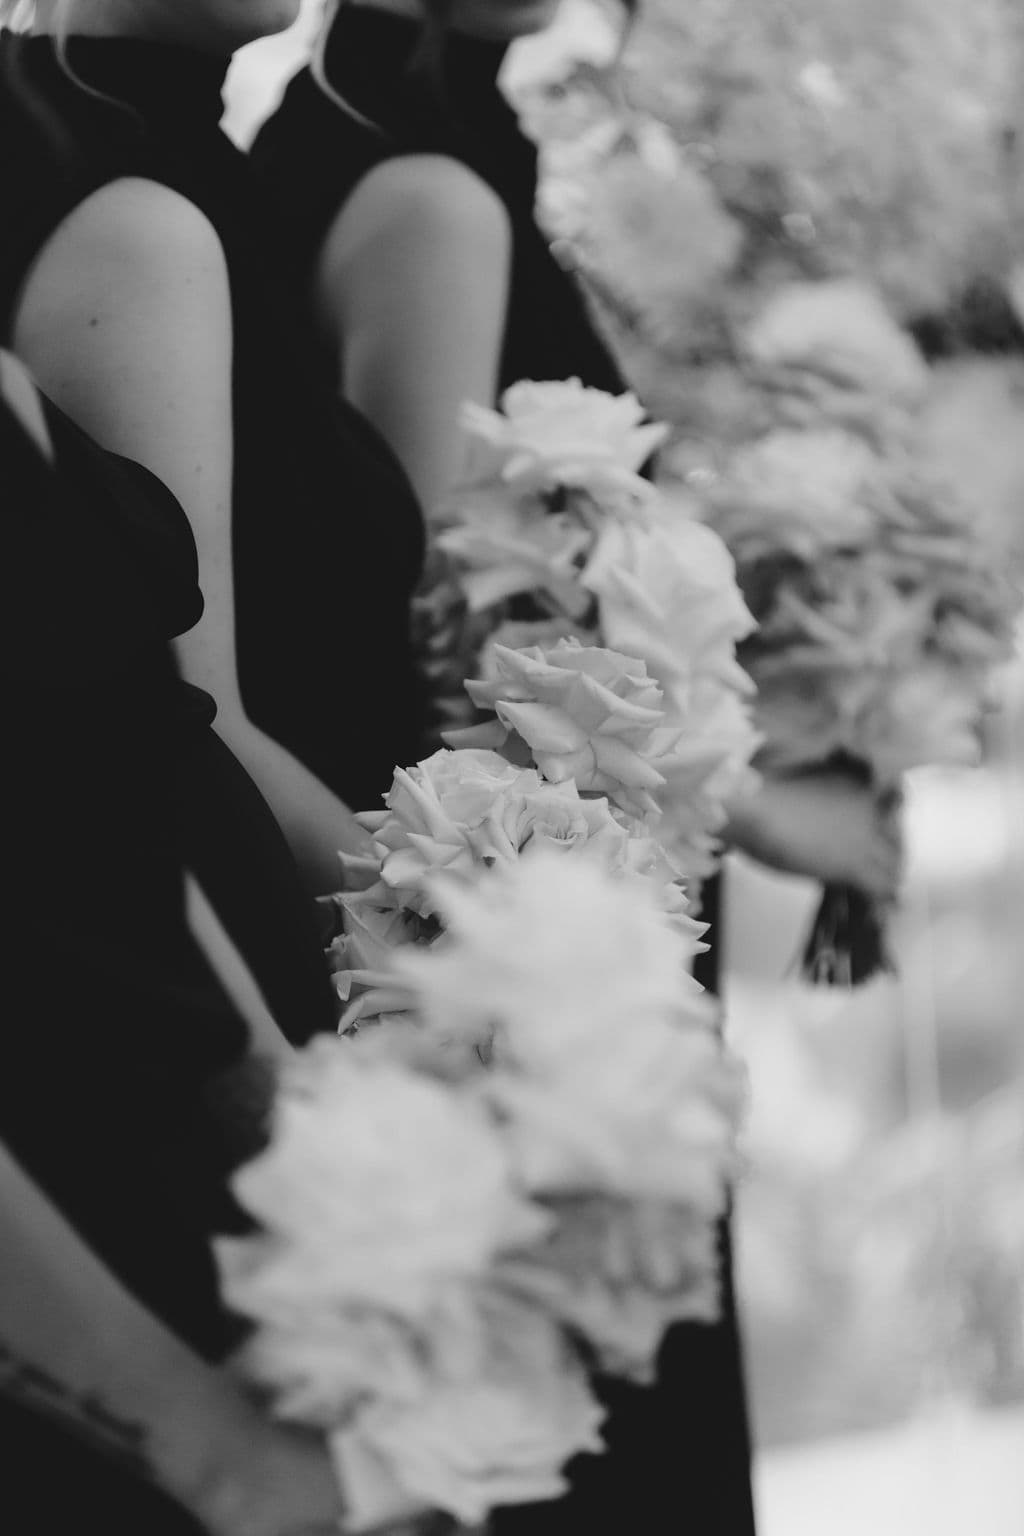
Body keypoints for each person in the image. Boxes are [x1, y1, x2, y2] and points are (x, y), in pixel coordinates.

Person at [251, 3, 903, 1532]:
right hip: (521, 948)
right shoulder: (428, 192)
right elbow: (436, 642)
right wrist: (776, 813)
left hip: (548, 907)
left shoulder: (414, 149)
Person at [0, 351, 347, 1535]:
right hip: (54, 1274)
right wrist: (189, 1433)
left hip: (176, 1167)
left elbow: (110, 765)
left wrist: (297, 1118)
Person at [0, 0, 427, 907]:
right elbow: (189, 735)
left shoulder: (216, 178)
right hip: (255, 960)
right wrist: (479, 958)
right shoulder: (129, 214)